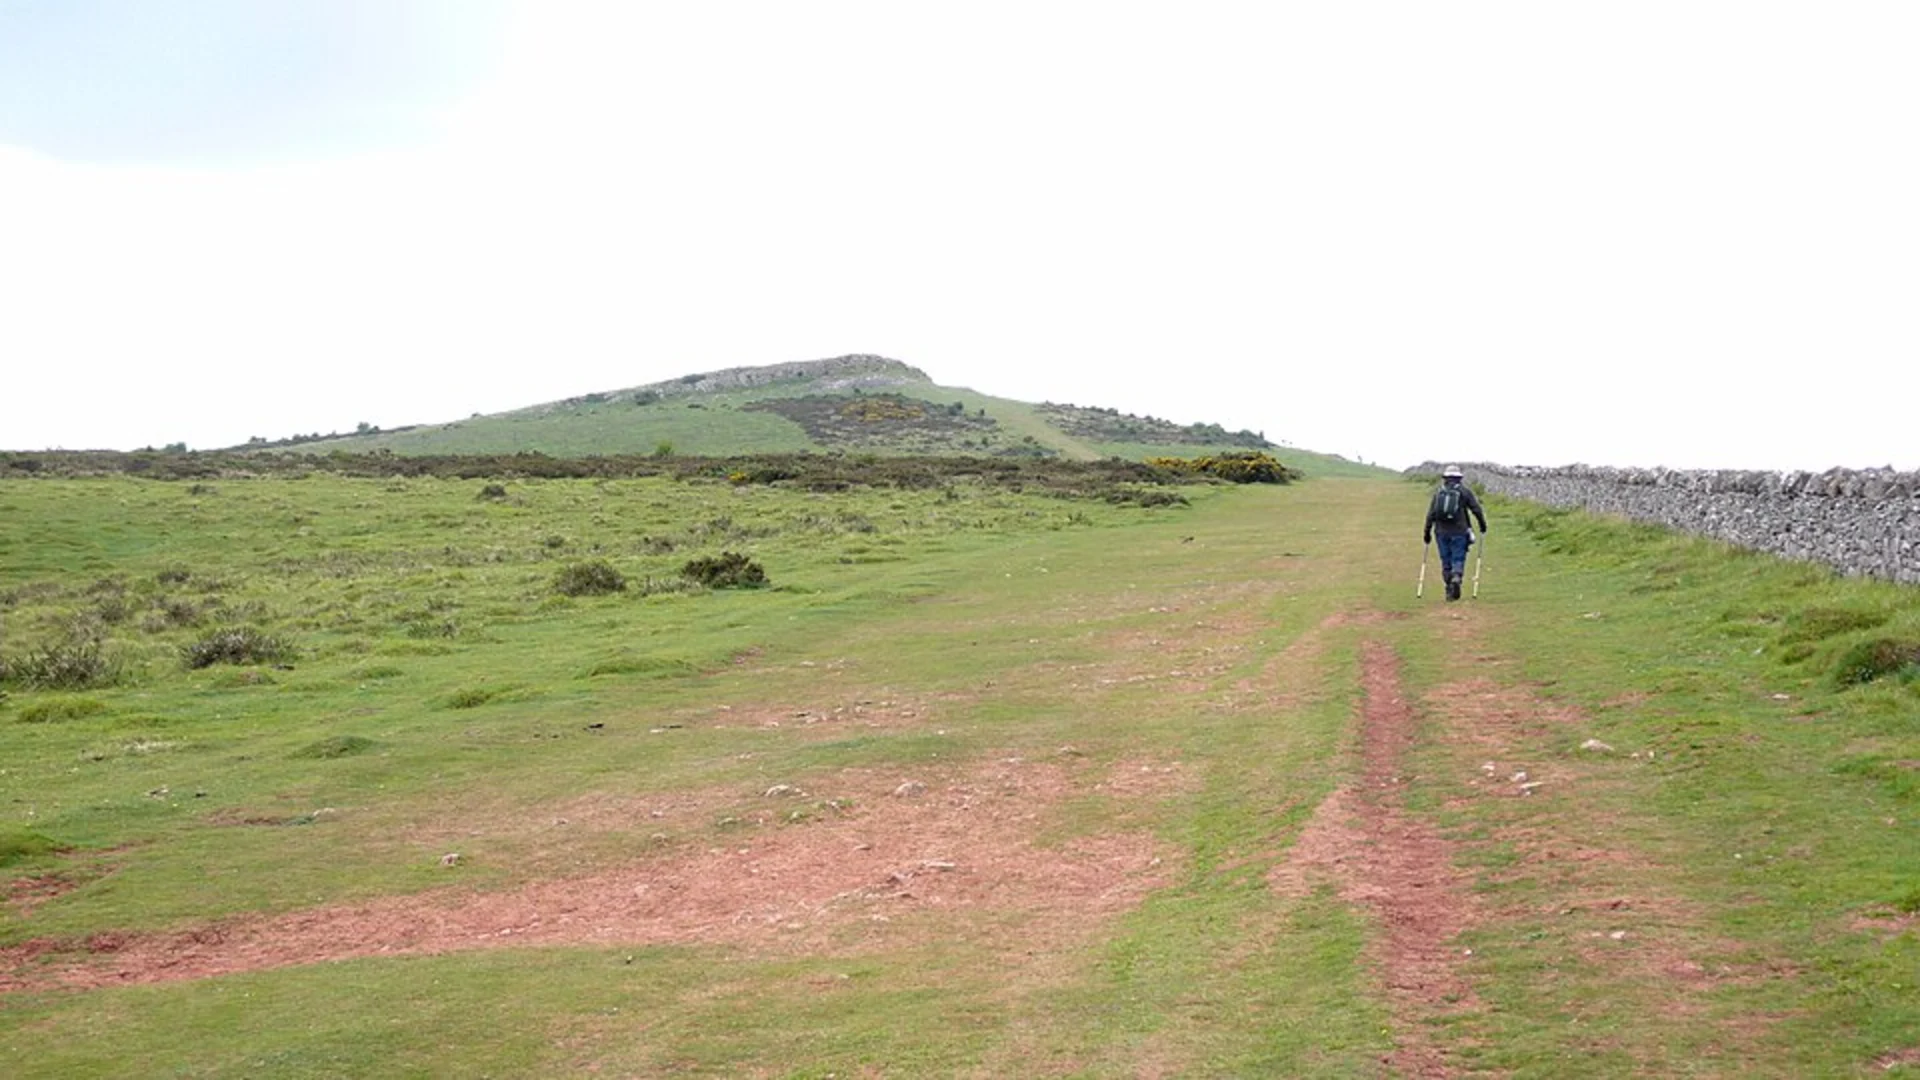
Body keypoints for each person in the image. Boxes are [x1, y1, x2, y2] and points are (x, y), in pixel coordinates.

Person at [1424, 465, 1487, 601]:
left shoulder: (1439, 492)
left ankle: (1449, 590)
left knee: (1445, 560)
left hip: (1441, 532)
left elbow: (1431, 514)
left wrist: (1427, 533)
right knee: (1458, 558)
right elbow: (1476, 509)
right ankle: (1457, 576)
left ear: (1445, 478)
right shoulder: (1464, 492)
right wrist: (1482, 525)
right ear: (1459, 478)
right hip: (1460, 531)